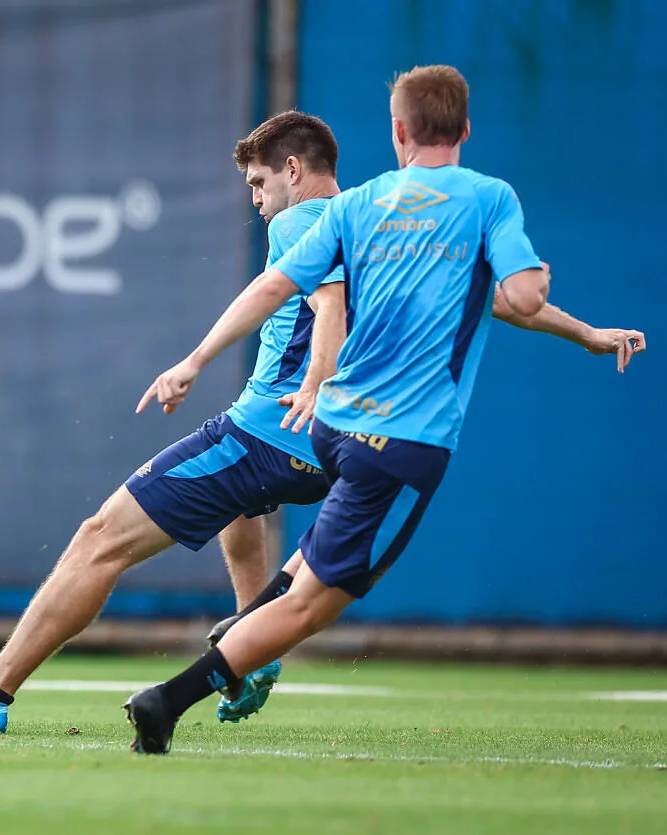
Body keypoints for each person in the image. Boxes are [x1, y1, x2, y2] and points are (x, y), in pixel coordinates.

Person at [124, 64, 646, 754]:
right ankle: (169, 698)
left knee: (308, 572)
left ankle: (255, 612)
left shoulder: (358, 204)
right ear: (463, 129)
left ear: (398, 130)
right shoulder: (489, 198)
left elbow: (274, 286)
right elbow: (517, 297)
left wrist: (194, 360)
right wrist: (550, 289)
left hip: (334, 427)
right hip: (403, 438)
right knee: (313, 605)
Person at [0, 112, 358, 733]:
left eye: (261, 184)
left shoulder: (299, 218)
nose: (260, 203)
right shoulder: (365, 220)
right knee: (241, 505)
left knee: (99, 536)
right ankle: (253, 647)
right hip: (337, 446)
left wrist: (302, 379)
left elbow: (329, 305)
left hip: (272, 431)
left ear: (294, 170)